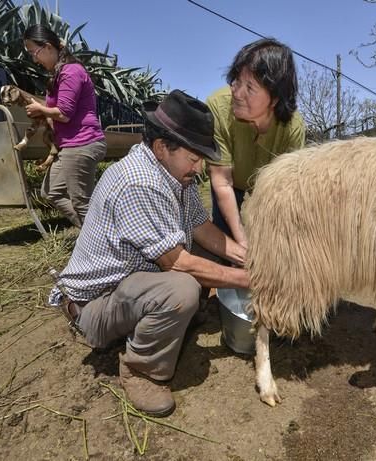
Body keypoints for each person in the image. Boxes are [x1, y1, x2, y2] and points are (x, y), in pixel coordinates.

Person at [48, 90, 249, 418]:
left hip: (128, 286)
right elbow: (177, 263)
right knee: (181, 288)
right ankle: (140, 370)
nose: (199, 168)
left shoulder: (175, 176)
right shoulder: (139, 183)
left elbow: (202, 228)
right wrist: (249, 279)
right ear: (161, 147)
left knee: (206, 255)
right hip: (95, 306)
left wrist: (245, 256)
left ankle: (164, 322)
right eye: (194, 157)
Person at [206, 38, 306, 247]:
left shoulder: (293, 127)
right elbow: (222, 181)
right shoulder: (217, 107)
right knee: (227, 236)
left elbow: (285, 190)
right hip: (229, 182)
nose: (237, 93)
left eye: (250, 88)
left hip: (269, 186)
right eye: (236, 81)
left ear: (275, 98)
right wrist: (241, 240)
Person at [23, 24, 106, 228]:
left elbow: (65, 114)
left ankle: (106, 246)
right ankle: (96, 236)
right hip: (70, 145)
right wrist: (42, 110)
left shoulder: (71, 71)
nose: (35, 59)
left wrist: (41, 110)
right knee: (51, 192)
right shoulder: (60, 73)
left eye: (35, 52)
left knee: (81, 203)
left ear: (49, 47)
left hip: (81, 143)